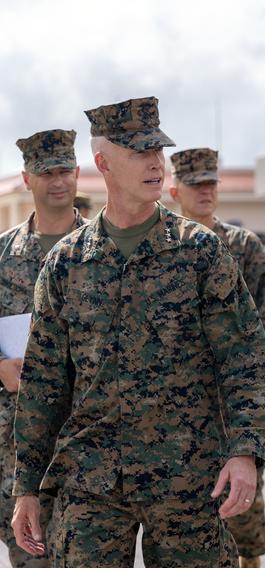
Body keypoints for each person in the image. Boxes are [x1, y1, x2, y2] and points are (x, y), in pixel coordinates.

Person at [10, 96, 265, 566]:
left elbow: (245, 360)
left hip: (187, 478)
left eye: (158, 151)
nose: (156, 163)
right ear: (103, 164)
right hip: (91, 480)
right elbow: (43, 384)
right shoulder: (67, 263)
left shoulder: (200, 253)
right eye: (139, 153)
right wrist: (26, 487)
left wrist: (246, 452)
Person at [168, 147, 265, 568]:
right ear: (174, 190)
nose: (205, 191)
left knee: (244, 517)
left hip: (234, 408)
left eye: (210, 183)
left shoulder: (244, 247)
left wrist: (248, 398)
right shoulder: (163, 249)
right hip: (179, 412)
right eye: (195, 184)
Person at [0, 129, 86, 567]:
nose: (57, 181)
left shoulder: (101, 249)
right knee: (31, 557)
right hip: (17, 439)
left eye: (64, 171)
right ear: (26, 179)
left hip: (88, 438)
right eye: (45, 172)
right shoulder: (3, 255)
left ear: (77, 173)